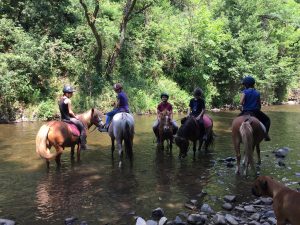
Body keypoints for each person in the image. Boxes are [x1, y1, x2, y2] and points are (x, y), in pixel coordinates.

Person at [239, 75, 271, 141]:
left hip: (246, 111)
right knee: (267, 120)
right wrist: (258, 110)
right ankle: (266, 135)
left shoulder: (244, 92)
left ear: (246, 85)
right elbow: (259, 104)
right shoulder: (257, 93)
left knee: (235, 121)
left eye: (244, 85)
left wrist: (241, 109)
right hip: (256, 111)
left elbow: (241, 102)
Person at [59, 85, 87, 150]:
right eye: (71, 93)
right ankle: (82, 144)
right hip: (68, 119)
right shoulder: (68, 100)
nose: (72, 94)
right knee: (82, 127)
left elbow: (63, 111)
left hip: (62, 119)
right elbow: (70, 112)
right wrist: (75, 117)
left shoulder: (60, 99)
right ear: (67, 93)